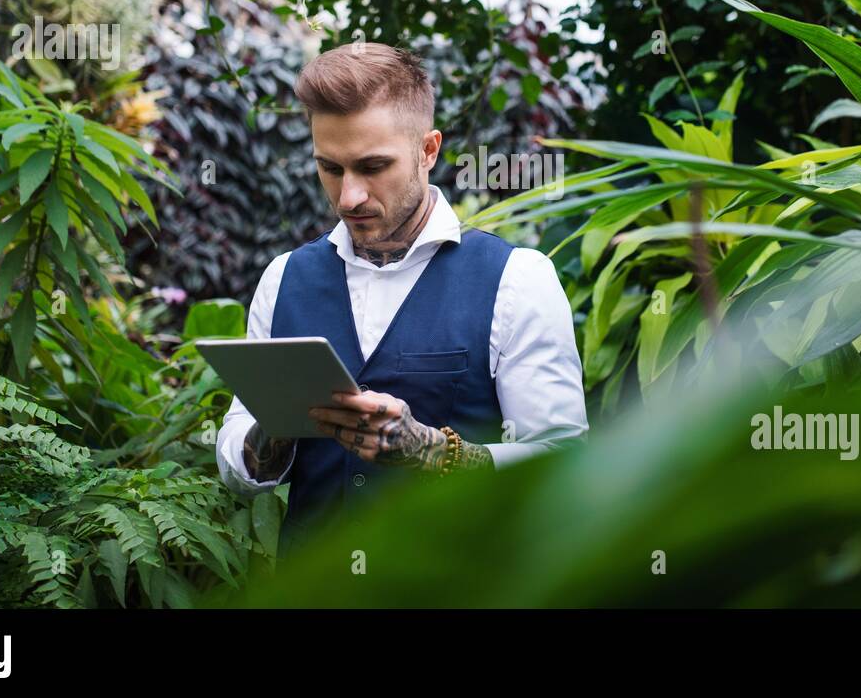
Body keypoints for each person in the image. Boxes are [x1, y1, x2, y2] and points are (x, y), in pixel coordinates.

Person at [215, 41, 588, 551]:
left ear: (428, 150)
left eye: (372, 167)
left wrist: (435, 453)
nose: (349, 196)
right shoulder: (283, 279)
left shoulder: (517, 279)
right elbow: (239, 464)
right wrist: (273, 431)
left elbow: (562, 464)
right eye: (330, 168)